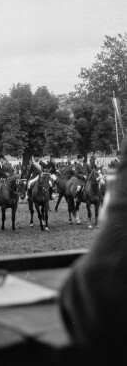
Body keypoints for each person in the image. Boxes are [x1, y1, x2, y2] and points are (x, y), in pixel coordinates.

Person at [60, 142, 127, 361]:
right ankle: (78, 202)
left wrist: (92, 173)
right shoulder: (76, 168)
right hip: (79, 181)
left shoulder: (90, 165)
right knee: (79, 189)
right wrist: (81, 176)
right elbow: (77, 174)